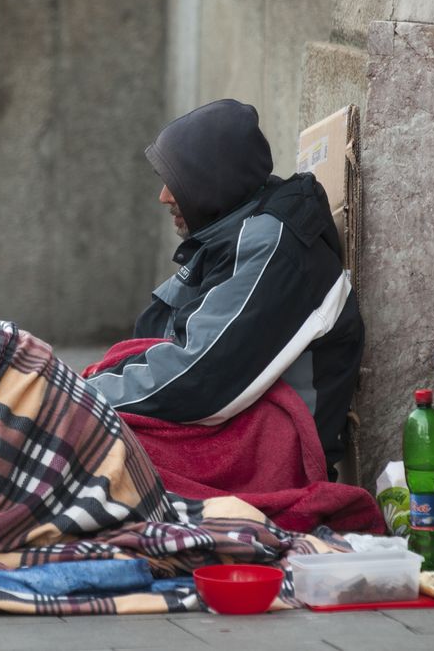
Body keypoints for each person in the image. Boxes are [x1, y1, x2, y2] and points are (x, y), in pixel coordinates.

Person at [86, 99, 364, 481]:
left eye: (178, 181)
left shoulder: (271, 245)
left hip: (280, 451)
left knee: (80, 443)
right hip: (233, 418)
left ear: (213, 179)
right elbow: (159, 337)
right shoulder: (236, 228)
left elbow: (197, 377)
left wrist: (75, 398)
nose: (164, 196)